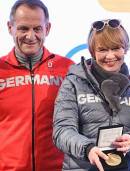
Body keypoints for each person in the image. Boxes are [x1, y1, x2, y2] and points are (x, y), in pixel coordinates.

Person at [52, 19, 130, 171]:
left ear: (125, 48)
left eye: (115, 48)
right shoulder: (73, 84)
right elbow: (62, 132)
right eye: (103, 50)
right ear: (92, 51)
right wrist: (88, 149)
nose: (110, 56)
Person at [0, 0, 74, 171]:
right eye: (23, 28)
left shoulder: (68, 69)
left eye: (37, 28)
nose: (31, 36)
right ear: (10, 27)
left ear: (47, 29)